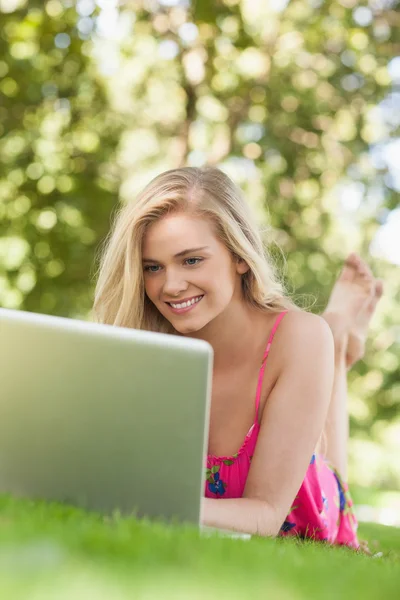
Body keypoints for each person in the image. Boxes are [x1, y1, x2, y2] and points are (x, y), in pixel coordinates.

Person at [93, 166, 383, 549]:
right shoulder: (142, 345)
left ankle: (337, 342)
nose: (171, 285)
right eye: (153, 268)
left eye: (192, 260)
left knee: (328, 476)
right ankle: (337, 346)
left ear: (239, 255)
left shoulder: (298, 337)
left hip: (305, 506)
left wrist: (153, 506)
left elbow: (265, 513)